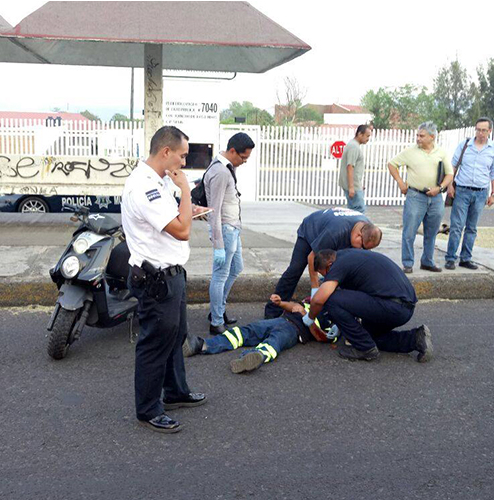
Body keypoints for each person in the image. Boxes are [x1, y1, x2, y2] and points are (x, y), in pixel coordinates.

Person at [121, 125, 206, 434]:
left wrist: (188, 208)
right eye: (182, 156)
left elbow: (174, 218)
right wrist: (186, 191)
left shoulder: (158, 181)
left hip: (172, 273)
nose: (184, 163)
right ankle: (148, 409)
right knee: (155, 343)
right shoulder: (145, 187)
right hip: (156, 279)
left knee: (175, 335)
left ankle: (175, 392)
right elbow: (181, 230)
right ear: (166, 151)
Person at [306, 248, 433, 362]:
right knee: (367, 336)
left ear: (329, 266)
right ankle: (415, 339)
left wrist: (310, 319)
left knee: (331, 299)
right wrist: (340, 325)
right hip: (404, 307)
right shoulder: (349, 256)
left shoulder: (338, 265)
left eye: (325, 275)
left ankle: (365, 349)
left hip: (393, 306)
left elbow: (318, 300)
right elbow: (353, 300)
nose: (326, 278)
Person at [263, 207, 382, 319]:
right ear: (358, 235)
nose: (362, 250)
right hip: (311, 229)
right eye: (362, 246)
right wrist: (315, 290)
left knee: (343, 271)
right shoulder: (335, 232)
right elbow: (311, 258)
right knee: (295, 269)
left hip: (333, 230)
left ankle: (336, 311)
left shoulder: (368, 229)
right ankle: (272, 313)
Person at [183, 294, 335, 374]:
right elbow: (295, 306)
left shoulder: (331, 316)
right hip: (280, 320)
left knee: (274, 342)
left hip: (294, 330)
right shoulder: (312, 299)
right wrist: (281, 303)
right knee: (247, 330)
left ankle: (254, 357)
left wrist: (306, 317)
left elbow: (322, 337)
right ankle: (202, 345)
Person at [204, 132, 255, 334]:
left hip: (233, 228)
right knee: (220, 275)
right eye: (243, 157)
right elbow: (214, 210)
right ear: (232, 151)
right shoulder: (221, 172)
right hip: (225, 229)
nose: (244, 162)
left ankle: (218, 308)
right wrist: (218, 244)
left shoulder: (227, 167)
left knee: (236, 268)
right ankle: (216, 321)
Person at [387, 121, 454, 274]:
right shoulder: (410, 151)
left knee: (431, 232)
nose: (418, 138)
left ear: (432, 137)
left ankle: (427, 262)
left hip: (436, 198)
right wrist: (400, 182)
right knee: (409, 232)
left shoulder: (441, 152)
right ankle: (408, 263)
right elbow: (392, 164)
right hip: (415, 196)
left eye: (421, 136)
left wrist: (440, 188)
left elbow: (450, 174)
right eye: (417, 135)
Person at [444, 117, 494, 270]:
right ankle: (450, 258)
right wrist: (450, 185)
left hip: (481, 193)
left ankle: (465, 258)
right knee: (457, 226)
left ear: (489, 131)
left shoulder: (493, 149)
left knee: (472, 227)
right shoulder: (465, 145)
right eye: (478, 130)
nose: (480, 133)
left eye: (484, 130)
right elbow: (452, 166)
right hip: (462, 190)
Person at [337, 124, 372, 213]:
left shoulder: (353, 145)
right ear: (360, 134)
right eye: (367, 136)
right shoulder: (354, 147)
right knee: (359, 210)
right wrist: (351, 187)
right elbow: (350, 166)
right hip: (353, 186)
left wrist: (358, 184)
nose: (368, 139)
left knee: (352, 211)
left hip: (355, 184)